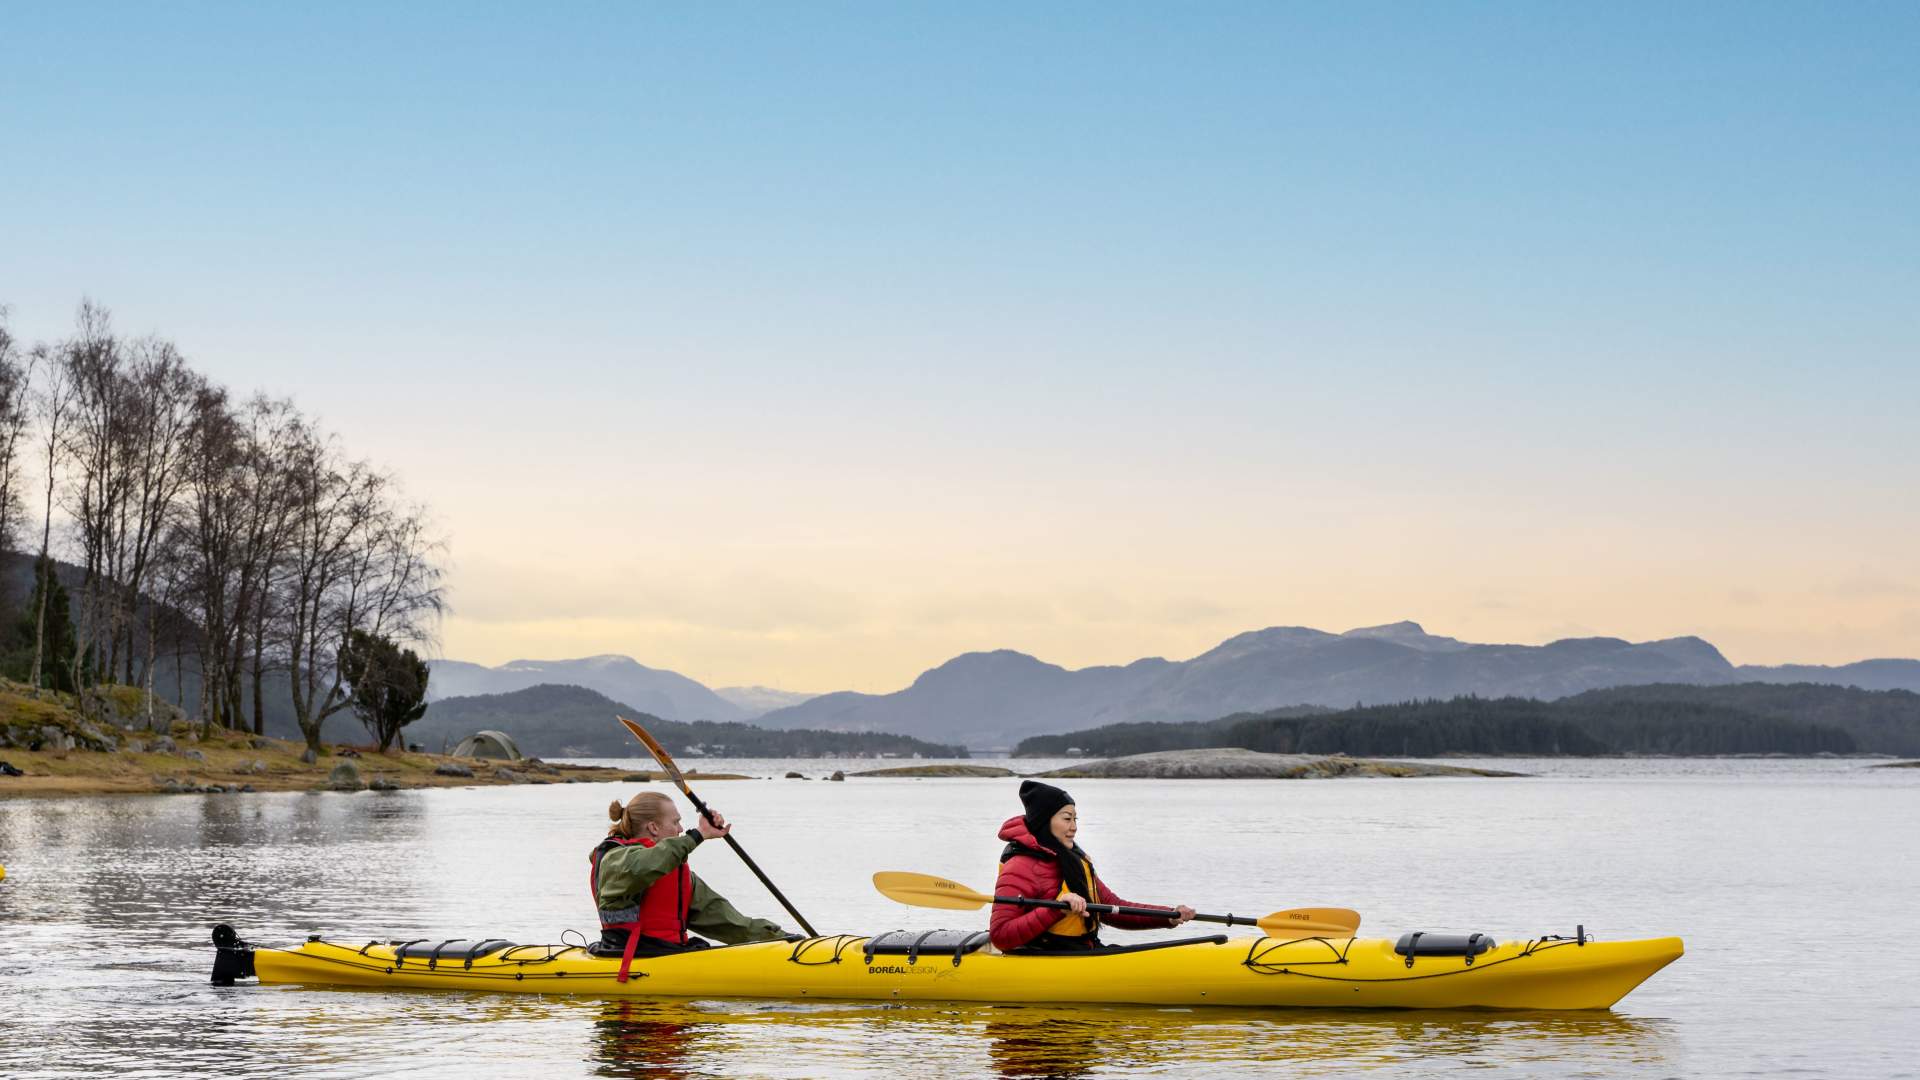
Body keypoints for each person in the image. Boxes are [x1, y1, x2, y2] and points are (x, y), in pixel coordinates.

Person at [590, 791, 787, 981]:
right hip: (629, 956)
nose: (681, 829)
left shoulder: (676, 873)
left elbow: (729, 923)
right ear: (653, 828)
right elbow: (649, 863)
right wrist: (698, 835)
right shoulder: (617, 862)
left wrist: (782, 939)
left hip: (670, 954)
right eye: (675, 822)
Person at [990, 780, 1196, 952]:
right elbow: (1000, 935)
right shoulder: (1020, 866)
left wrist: (1169, 915)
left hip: (1083, 951)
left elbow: (1111, 906)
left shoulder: (1073, 860)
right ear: (1045, 822)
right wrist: (1057, 909)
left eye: (1075, 819)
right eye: (1067, 819)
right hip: (1043, 957)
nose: (1074, 827)